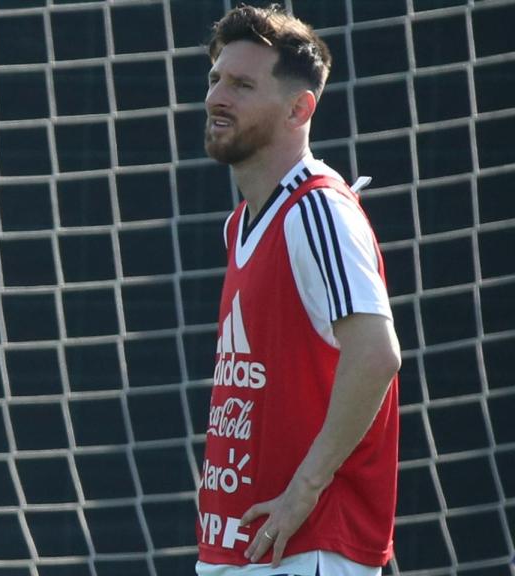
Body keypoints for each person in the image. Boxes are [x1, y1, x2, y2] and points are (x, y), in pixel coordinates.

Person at [195, 4, 402, 576]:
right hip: (241, 548)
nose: (217, 97)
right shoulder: (242, 224)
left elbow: (377, 354)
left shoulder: (316, 210)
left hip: (308, 550)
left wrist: (303, 490)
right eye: (215, 78)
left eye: (242, 84)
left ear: (299, 108)